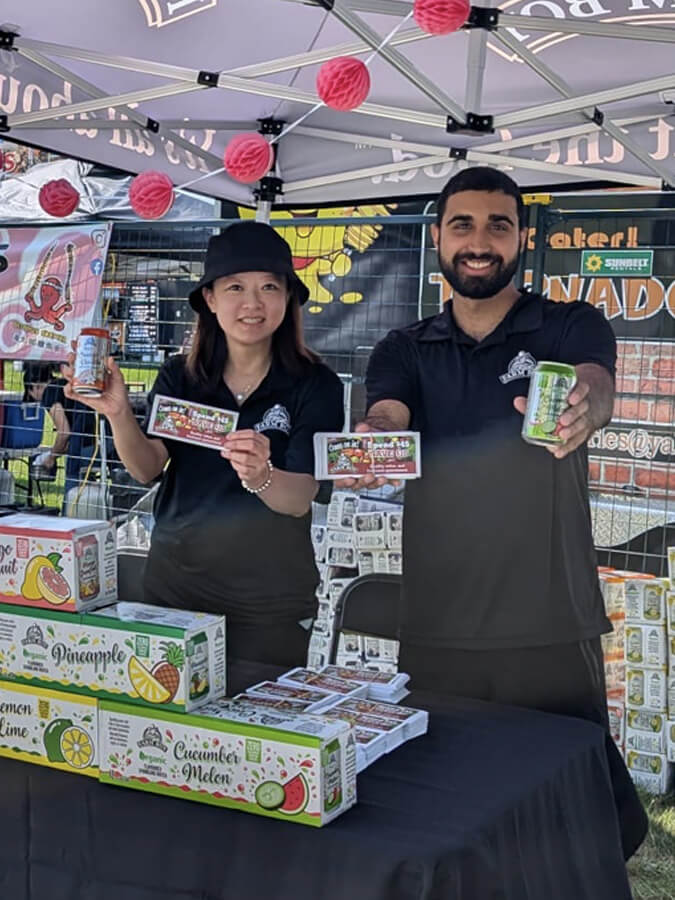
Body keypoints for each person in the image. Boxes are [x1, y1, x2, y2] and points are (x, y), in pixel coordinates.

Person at [345, 167, 646, 857]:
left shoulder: (569, 323)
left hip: (548, 616)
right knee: (449, 803)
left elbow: (595, 387)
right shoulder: (403, 347)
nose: (478, 242)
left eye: (497, 226)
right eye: (462, 225)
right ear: (439, 238)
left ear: (521, 239)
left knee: (575, 806)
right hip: (436, 619)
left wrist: (580, 408)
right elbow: (386, 411)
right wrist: (373, 440)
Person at [62, 222, 344, 667]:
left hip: (269, 605)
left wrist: (261, 475)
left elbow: (301, 496)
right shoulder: (182, 376)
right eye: (235, 287)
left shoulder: (316, 385)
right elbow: (147, 467)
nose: (253, 303)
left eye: (269, 286)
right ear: (210, 299)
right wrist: (118, 413)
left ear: (288, 297)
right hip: (174, 591)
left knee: (258, 731)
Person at [23, 360, 101, 507]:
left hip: (84, 446)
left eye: (31, 394)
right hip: (102, 440)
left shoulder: (49, 393)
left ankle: (68, 513)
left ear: (34, 387)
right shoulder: (64, 383)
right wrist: (57, 450)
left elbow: (64, 432)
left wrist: (51, 457)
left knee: (72, 481)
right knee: (88, 483)